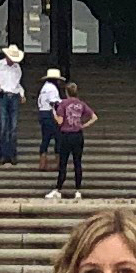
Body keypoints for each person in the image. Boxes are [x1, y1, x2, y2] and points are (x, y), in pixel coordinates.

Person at [45, 75, 99, 203]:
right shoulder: (81, 104)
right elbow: (94, 117)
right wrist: (83, 125)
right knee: (77, 162)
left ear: (66, 92)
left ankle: (58, 189)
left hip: (66, 135)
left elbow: (60, 121)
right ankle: (78, 190)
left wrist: (53, 112)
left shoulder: (63, 103)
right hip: (78, 134)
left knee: (63, 163)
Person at [0, 45, 29, 166]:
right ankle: (3, 155)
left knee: (13, 127)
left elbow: (17, 83)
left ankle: (12, 154)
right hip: (2, 96)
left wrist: (22, 93)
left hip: (13, 96)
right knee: (4, 126)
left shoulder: (17, 68)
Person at [37, 64, 65, 169]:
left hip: (43, 113)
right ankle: (58, 163)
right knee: (58, 138)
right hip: (50, 114)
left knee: (45, 139)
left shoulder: (44, 88)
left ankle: (42, 163)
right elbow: (54, 103)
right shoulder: (52, 89)